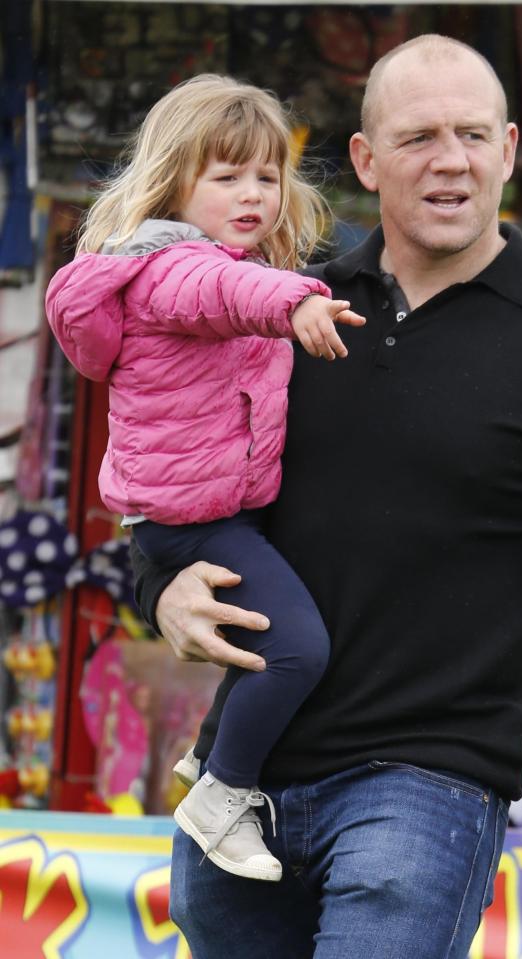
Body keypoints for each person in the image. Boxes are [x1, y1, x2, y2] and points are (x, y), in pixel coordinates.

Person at [132, 36, 522, 959]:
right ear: (364, 160)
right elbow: (178, 478)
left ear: (512, 150)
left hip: (426, 789)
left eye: (474, 135)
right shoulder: (283, 304)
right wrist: (157, 586)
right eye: (419, 138)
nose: (451, 160)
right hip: (245, 781)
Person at [45, 74, 366, 883]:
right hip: (193, 516)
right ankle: (223, 791)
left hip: (223, 503)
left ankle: (207, 757)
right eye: (226, 177)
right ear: (175, 185)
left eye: (266, 175)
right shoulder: (171, 267)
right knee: (296, 650)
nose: (252, 194)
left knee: (270, 630)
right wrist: (295, 303)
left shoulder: (236, 258)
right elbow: (226, 293)